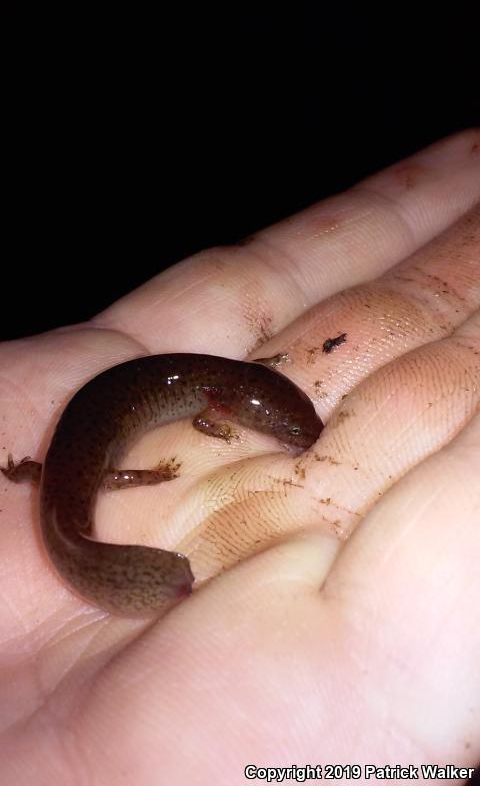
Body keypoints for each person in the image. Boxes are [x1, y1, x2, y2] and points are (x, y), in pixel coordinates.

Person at [0, 129, 479, 783]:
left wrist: (29, 473)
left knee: (74, 482)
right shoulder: (211, 398)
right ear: (222, 403)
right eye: (286, 430)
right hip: (97, 443)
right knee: (89, 488)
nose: (294, 438)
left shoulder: (217, 393)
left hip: (84, 446)